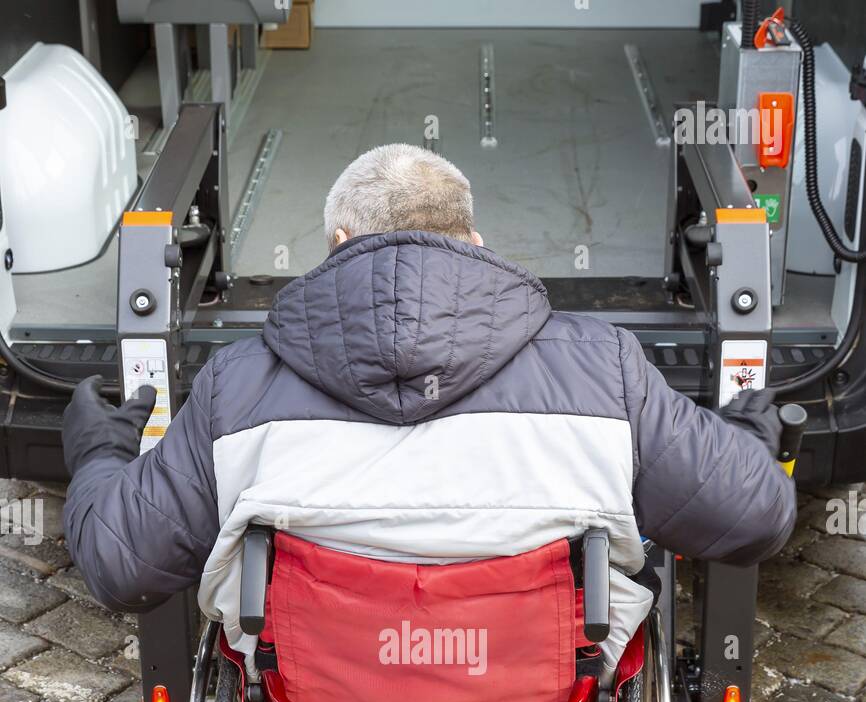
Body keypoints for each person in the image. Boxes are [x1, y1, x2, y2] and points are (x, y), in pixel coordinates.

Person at [62, 143, 795, 671]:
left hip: (317, 695)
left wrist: (99, 450)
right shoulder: (602, 367)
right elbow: (754, 516)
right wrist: (747, 434)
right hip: (538, 691)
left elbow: (122, 567)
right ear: (474, 242)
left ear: (339, 244)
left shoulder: (235, 387)